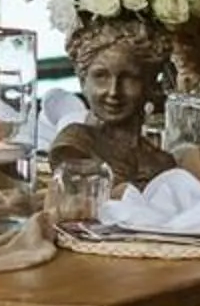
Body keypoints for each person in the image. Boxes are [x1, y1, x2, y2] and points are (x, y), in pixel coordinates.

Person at [46, 17, 176, 186]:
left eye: (128, 77)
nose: (114, 91)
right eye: (101, 76)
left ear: (149, 84)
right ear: (83, 82)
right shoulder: (75, 144)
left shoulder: (161, 162)